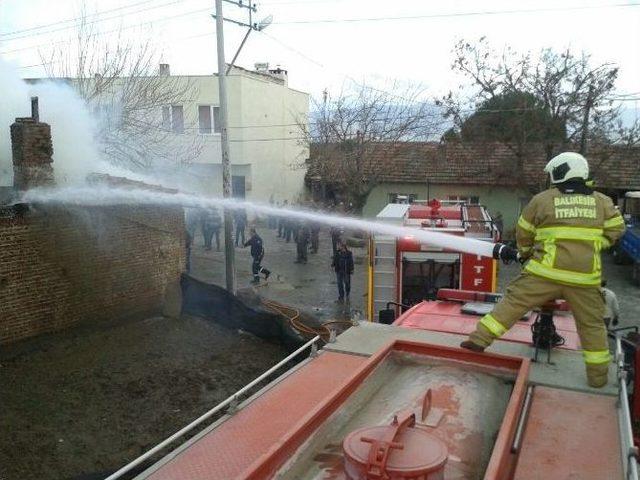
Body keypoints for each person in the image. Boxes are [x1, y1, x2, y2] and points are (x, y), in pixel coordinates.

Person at [460, 152, 625, 388]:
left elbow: (524, 232)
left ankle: (478, 340)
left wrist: (526, 253)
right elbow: (616, 230)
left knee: (513, 303)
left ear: (560, 173)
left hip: (544, 273)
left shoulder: (542, 200)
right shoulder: (603, 201)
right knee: (592, 325)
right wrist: (597, 245)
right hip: (585, 279)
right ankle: (598, 378)